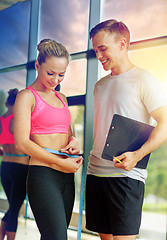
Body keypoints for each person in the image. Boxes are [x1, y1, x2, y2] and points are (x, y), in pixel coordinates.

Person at [85, 19, 167, 240]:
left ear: (122, 44)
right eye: (95, 50)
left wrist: (137, 155)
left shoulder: (144, 80)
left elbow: (165, 123)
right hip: (95, 173)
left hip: (126, 176)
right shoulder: (99, 86)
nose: (99, 56)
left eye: (103, 49)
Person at [13, 39, 83, 240]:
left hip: (67, 177)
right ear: (37, 65)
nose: (55, 80)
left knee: (57, 236)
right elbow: (22, 142)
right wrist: (60, 161)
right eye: (50, 73)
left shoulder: (62, 98)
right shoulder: (27, 96)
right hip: (43, 176)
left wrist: (74, 143)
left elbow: (70, 134)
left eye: (61, 74)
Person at [0, 89, 29, 240]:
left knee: (12, 206)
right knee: (14, 208)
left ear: (6, 103)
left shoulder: (0, 120)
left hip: (5, 167)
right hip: (20, 167)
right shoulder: (18, 119)